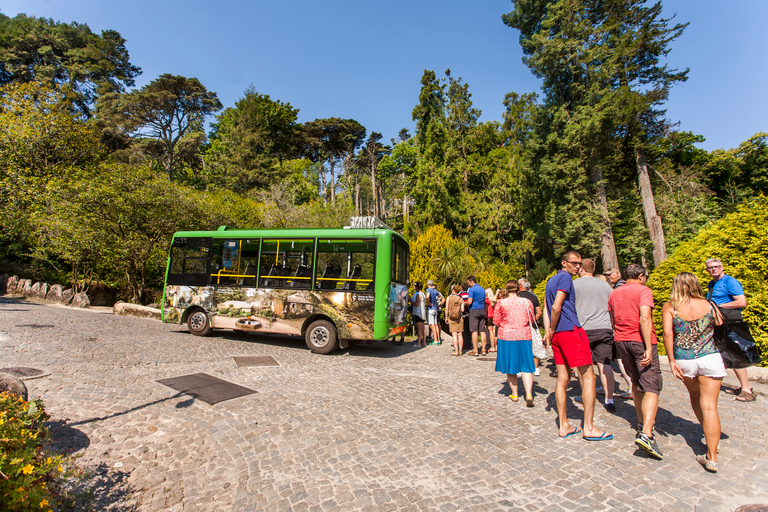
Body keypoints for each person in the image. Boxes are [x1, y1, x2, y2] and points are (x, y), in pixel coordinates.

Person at [543, 251, 612, 441]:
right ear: (564, 263)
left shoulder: (551, 280)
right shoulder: (565, 278)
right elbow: (556, 306)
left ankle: (564, 424)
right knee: (589, 376)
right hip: (570, 330)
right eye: (574, 263)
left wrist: (549, 331)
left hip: (557, 334)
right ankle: (588, 427)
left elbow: (547, 309)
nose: (578, 267)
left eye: (579, 264)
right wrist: (553, 329)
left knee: (563, 377)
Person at [662, 272, 725, 473]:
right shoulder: (709, 305)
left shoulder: (671, 307)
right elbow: (720, 324)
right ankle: (712, 456)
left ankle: (707, 435)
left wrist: (671, 361)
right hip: (710, 356)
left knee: (695, 396)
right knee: (710, 406)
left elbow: (667, 333)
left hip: (685, 359)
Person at [608, 264, 663, 460]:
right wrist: (649, 347)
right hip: (640, 340)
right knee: (652, 385)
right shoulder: (643, 290)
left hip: (621, 340)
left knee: (637, 382)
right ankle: (647, 433)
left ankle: (641, 422)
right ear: (641, 276)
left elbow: (612, 318)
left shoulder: (614, 293)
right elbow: (645, 318)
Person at [705, 258, 756, 402]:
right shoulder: (712, 284)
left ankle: (746, 390)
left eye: (716, 267)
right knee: (727, 354)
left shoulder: (730, 282)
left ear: (722, 267)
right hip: (720, 323)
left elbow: (741, 302)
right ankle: (743, 386)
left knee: (735, 354)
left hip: (731, 322)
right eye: (710, 267)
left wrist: (719, 306)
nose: (713, 269)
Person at [573, 258, 617, 412]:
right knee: (604, 364)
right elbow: (613, 304)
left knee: (583, 366)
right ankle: (609, 399)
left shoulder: (574, 284)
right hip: (604, 327)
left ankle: (586, 396)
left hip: (583, 328)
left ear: (581, 269)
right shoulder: (604, 285)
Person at [494, 280, 536, 406]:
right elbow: (531, 318)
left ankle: (515, 394)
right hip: (524, 335)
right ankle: (529, 394)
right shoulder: (527, 302)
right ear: (518, 288)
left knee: (511, 367)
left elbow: (496, 321)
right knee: (526, 366)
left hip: (507, 336)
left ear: (506, 289)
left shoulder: (501, 303)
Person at [518, 279, 543, 376]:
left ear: (520, 285)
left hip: (520, 325)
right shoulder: (534, 296)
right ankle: (536, 368)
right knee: (534, 345)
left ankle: (520, 367)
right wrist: (532, 321)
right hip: (532, 325)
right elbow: (539, 312)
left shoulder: (517, 296)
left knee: (520, 346)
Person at [466, 276, 488, 356]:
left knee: (474, 330)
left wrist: (463, 303)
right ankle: (483, 350)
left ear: (472, 282)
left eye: (469, 283)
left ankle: (475, 350)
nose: (468, 284)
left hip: (474, 310)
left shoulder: (472, 289)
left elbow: (469, 301)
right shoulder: (482, 289)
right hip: (482, 310)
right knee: (482, 331)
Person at [446, 285, 465, 356]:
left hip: (452, 317)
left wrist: (446, 317)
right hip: (459, 318)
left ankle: (456, 350)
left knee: (454, 334)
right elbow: (462, 310)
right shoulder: (460, 298)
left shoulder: (449, 298)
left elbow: (447, 308)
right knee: (460, 334)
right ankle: (460, 350)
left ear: (453, 290)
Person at [426, 280, 444, 346]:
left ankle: (435, 340)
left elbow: (428, 296)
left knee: (431, 325)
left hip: (430, 308)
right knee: (436, 324)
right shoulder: (435, 290)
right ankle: (438, 339)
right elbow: (441, 297)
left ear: (428, 284)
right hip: (435, 308)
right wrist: (437, 301)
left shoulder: (428, 290)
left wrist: (428, 302)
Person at [411, 282, 427, 347]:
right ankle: (424, 342)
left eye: (415, 285)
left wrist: (410, 301)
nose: (414, 286)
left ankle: (419, 343)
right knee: (423, 328)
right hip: (422, 312)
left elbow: (417, 303)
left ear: (417, 287)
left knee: (419, 328)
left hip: (418, 312)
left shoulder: (418, 294)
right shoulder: (423, 294)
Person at [485, 288, 498, 353]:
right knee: (494, 331)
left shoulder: (487, 300)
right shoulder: (494, 300)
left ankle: (492, 346)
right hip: (494, 316)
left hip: (489, 316)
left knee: (490, 332)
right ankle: (495, 346)